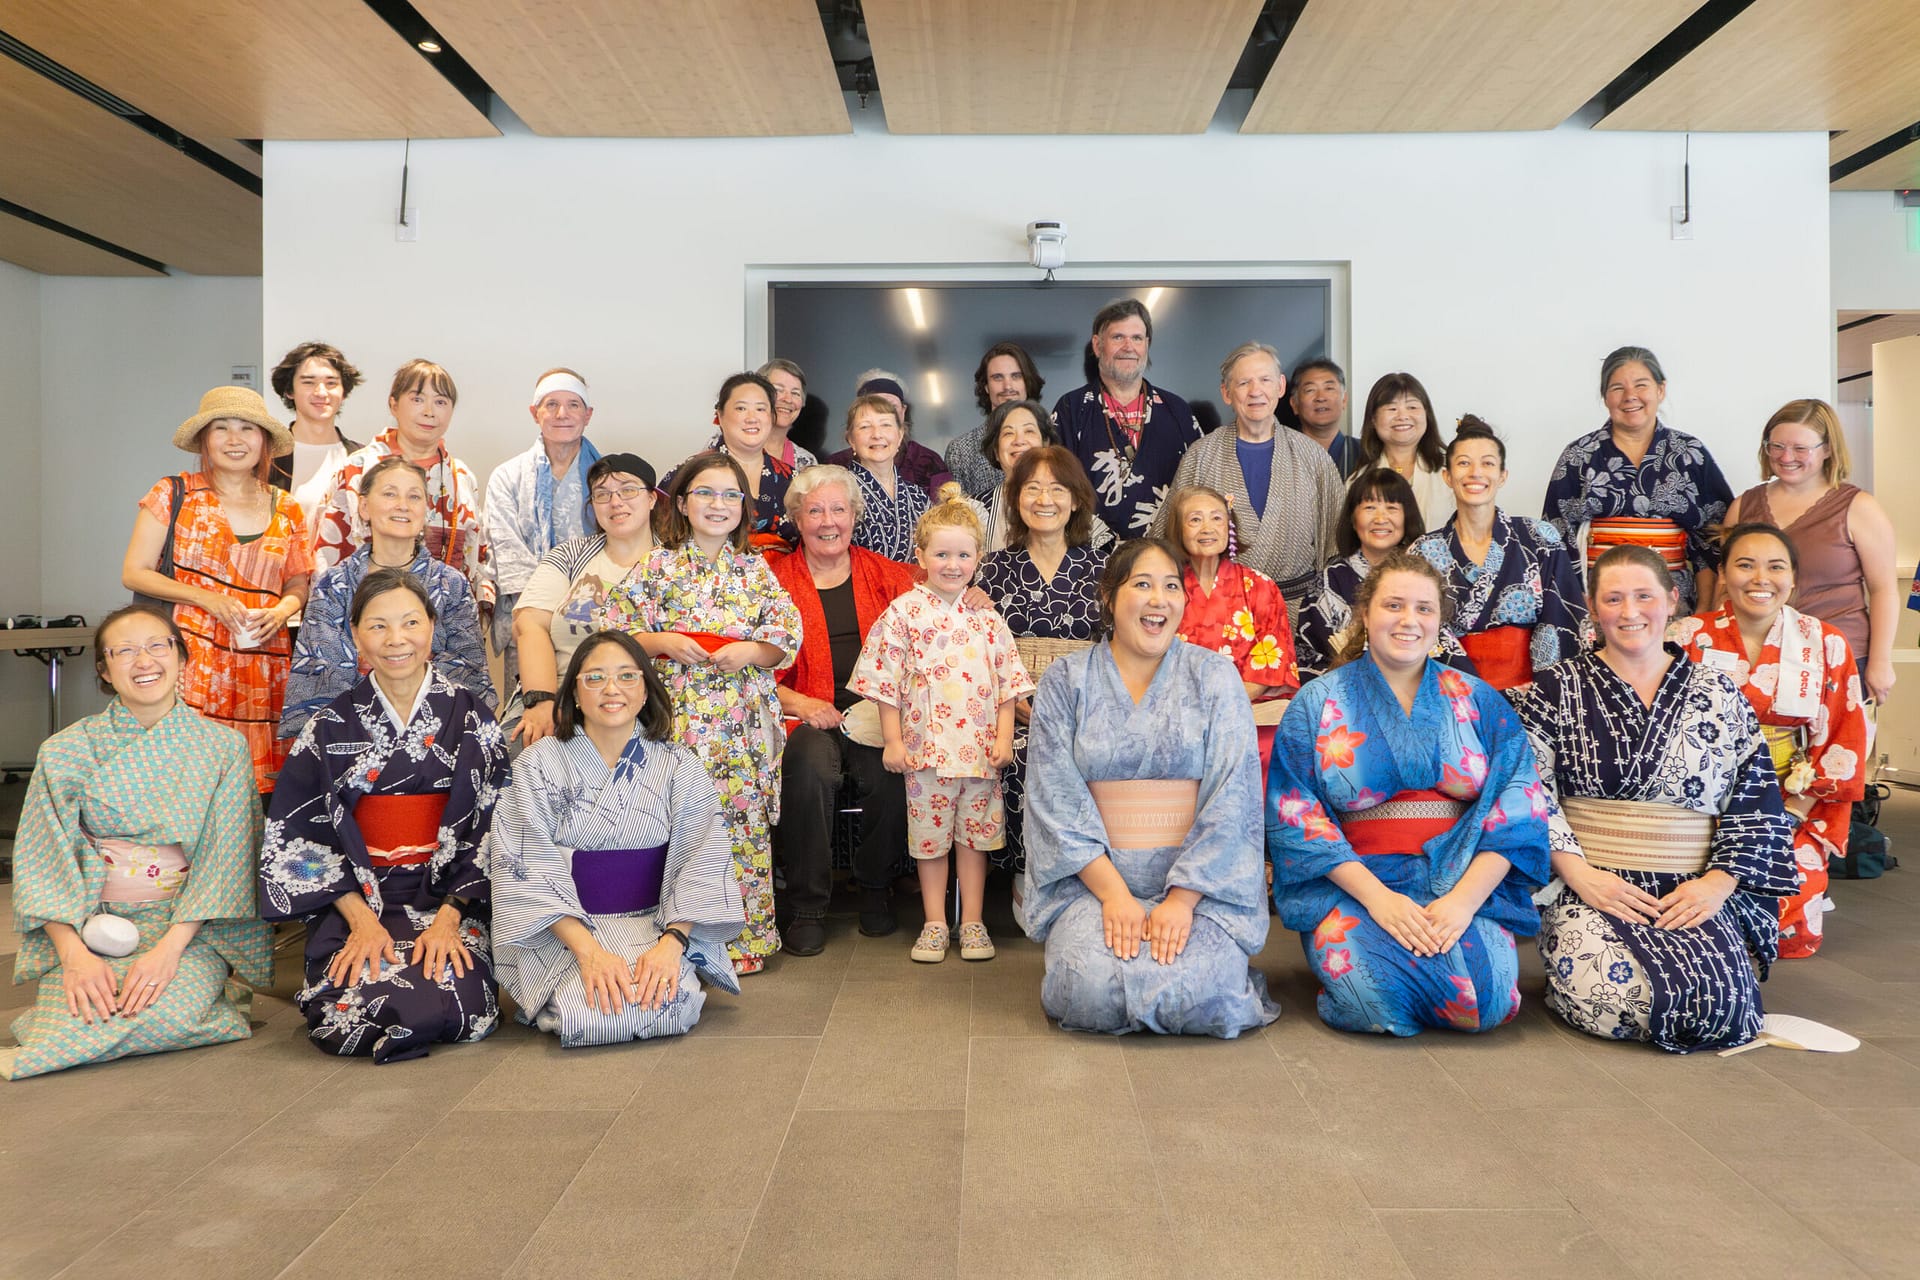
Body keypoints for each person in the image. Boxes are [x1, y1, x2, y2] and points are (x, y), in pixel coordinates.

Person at [1510, 545, 1796, 1052]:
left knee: (1724, 1003)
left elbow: (1755, 799)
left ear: (1671, 600)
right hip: (1592, 878)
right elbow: (1528, 790)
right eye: (1613, 598)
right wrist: (1579, 874)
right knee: (1618, 996)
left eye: (1644, 596)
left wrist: (1716, 884)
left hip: (1693, 882)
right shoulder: (1553, 688)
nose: (1630, 611)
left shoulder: (1719, 691)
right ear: (1594, 609)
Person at [1268, 552, 1550, 1036]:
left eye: (1424, 609)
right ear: (1365, 614)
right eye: (1393, 605)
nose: (1408, 620)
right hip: (1358, 882)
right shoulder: (1316, 701)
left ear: (1440, 621)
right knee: (1373, 1000)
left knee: (1486, 1001)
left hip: (1458, 879)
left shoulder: (1480, 698)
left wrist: (1462, 902)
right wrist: (1379, 900)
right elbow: (1297, 814)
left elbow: (1518, 805)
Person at [1019, 539, 1280, 1037]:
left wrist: (1181, 901)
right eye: (1142, 584)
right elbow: (1053, 797)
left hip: (1199, 890)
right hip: (1091, 886)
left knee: (1207, 987)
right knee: (1090, 987)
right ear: (1109, 598)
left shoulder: (1216, 677)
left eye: (1170, 586)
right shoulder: (1065, 680)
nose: (1159, 599)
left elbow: (1235, 798)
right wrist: (1115, 895)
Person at [2, 606, 271, 1080]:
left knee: (163, 1012)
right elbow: (43, 859)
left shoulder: (222, 747)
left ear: (181, 658)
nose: (143, 660)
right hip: (93, 924)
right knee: (86, 1010)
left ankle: (208, 993)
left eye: (156, 646)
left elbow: (227, 858)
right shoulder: (65, 751)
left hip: (184, 927)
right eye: (124, 651)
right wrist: (75, 957)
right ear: (105, 670)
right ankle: (64, 1030)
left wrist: (169, 950)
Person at [260, 568, 510, 1063]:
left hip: (447, 902)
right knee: (349, 1007)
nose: (396, 640)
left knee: (464, 1008)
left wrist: (450, 918)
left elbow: (496, 827)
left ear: (432, 627)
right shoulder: (328, 726)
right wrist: (360, 920)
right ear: (355, 635)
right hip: (355, 904)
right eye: (378, 626)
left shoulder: (471, 718)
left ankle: (434, 980)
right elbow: (298, 836)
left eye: (410, 623)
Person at [491, 631, 746, 1045]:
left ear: (646, 691)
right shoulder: (538, 764)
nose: (612, 690)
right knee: (593, 1016)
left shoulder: (678, 763)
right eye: (594, 678)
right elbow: (525, 864)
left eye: (628, 677)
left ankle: (672, 969)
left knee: (668, 1004)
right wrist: (587, 951)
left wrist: (672, 945)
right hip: (567, 931)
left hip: (655, 925)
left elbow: (701, 857)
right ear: (573, 691)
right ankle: (563, 990)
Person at [603, 452, 801, 975]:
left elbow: (786, 635)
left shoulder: (755, 568)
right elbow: (613, 631)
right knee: (678, 824)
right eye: (706, 494)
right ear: (684, 503)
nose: (718, 504)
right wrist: (662, 640)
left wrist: (751, 652)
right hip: (678, 716)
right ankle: (673, 941)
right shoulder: (657, 565)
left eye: (730, 495)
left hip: (740, 721)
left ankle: (745, 942)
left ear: (744, 507)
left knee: (742, 824)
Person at [852, 492, 1032, 963]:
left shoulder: (988, 619)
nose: (952, 565)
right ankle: (935, 921)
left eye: (963, 555)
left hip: (978, 753)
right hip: (924, 751)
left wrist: (1003, 738)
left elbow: (1007, 686)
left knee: (976, 840)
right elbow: (884, 683)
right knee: (930, 841)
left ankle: (972, 921)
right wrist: (892, 741)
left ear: (978, 557)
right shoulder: (902, 614)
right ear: (921, 556)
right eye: (942, 554)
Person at [1676, 524, 1870, 959]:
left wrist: (1790, 814)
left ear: (1795, 579)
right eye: (1745, 565)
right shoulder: (1687, 637)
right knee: (1689, 900)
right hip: (1703, 801)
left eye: (1775, 567)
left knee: (1790, 900)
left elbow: (1843, 736)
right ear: (1723, 573)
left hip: (1790, 797)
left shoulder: (1825, 642)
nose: (1760, 578)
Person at [122, 385, 313, 792]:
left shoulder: (288, 507)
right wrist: (204, 597)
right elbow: (135, 572)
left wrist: (281, 612)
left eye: (247, 429)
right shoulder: (175, 492)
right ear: (205, 440)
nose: (234, 439)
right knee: (184, 786)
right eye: (221, 428)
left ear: (263, 442)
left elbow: (299, 582)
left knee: (257, 793)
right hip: (191, 662)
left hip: (262, 664)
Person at [767, 466, 917, 953]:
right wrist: (803, 703)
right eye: (815, 510)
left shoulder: (889, 576)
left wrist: (976, 593)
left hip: (877, 712)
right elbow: (755, 671)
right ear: (797, 518)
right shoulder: (772, 581)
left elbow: (939, 606)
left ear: (854, 515)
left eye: (838, 509)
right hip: (803, 708)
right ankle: (808, 905)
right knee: (808, 766)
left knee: (890, 771)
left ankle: (875, 886)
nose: (827, 521)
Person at [281, 458, 492, 739]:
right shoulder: (333, 584)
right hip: (351, 734)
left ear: (425, 511)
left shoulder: (451, 584)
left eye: (414, 496)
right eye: (390, 493)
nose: (402, 505)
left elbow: (467, 670)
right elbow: (321, 673)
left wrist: (412, 714)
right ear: (364, 507)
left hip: (436, 733)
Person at [974, 447, 1107, 871]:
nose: (1044, 499)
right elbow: (976, 652)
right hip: (1009, 706)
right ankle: (1026, 873)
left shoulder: (1104, 568)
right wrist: (1011, 702)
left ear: (1076, 500)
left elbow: (1118, 649)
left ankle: (1082, 869)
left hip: (1087, 704)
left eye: (1057, 488)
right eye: (1032, 488)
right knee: (1018, 753)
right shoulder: (991, 569)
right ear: (1015, 499)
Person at [1725, 399, 1896, 706]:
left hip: (1837, 655)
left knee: (1833, 753)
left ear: (1828, 449)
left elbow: (1884, 589)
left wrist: (1880, 662)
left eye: (1800, 448)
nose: (1786, 457)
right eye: (1776, 446)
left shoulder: (1859, 508)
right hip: (1755, 657)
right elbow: (1725, 586)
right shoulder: (1743, 506)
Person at [1543, 345, 1733, 614]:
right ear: (1605, 397)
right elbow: (1555, 540)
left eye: (1641, 385)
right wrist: (1578, 610)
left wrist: (1704, 609)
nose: (1630, 396)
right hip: (1600, 602)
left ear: (1660, 389)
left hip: (1672, 602)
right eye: (1617, 388)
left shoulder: (1689, 452)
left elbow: (1713, 540)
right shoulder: (1580, 454)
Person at [1160, 342, 1343, 608]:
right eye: (1244, 382)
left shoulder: (1312, 455)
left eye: (1265, 380)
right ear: (1226, 393)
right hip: (1218, 610)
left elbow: (1336, 544)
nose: (1256, 391)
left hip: (1295, 609)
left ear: (1280, 386)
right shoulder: (1201, 455)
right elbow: (1168, 536)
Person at [1410, 417, 1585, 689]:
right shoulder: (1422, 552)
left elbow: (1563, 623)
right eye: (1464, 463)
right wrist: (1473, 694)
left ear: (1503, 475)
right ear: (1447, 476)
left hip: (1535, 698)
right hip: (1453, 696)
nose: (1475, 473)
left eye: (1488, 463)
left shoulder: (1540, 539)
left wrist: (1544, 696)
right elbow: (1417, 629)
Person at [312, 359, 493, 610]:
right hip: (365, 618)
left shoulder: (461, 476)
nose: (430, 411)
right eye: (417, 399)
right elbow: (327, 552)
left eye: (441, 402)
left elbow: (477, 555)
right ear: (393, 404)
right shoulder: (357, 469)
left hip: (445, 619)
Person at [509, 453, 659, 748]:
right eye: (602, 494)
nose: (616, 502)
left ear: (652, 498)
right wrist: (542, 701)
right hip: (563, 692)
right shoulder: (571, 555)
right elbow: (529, 625)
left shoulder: (677, 562)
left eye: (628, 490)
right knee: (515, 751)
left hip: (643, 701)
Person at [484, 368, 605, 696]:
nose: (562, 414)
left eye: (573, 405)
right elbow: (505, 548)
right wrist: (544, 611)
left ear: (588, 414)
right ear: (535, 413)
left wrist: (577, 607)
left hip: (594, 616)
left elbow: (617, 544)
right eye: (551, 404)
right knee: (531, 714)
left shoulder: (609, 477)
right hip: (528, 614)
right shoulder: (507, 476)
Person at [1166, 485, 1299, 773]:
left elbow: (1269, 664)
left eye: (1216, 518)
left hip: (1247, 710)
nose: (1207, 527)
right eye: (1195, 519)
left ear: (1230, 528)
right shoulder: (1165, 589)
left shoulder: (1260, 586)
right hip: (1178, 711)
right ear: (1178, 529)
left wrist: (1222, 702)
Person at [1052, 299, 1204, 538]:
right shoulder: (1072, 408)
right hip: (1088, 557)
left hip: (1166, 556)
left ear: (1147, 344)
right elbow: (1054, 485)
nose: (1128, 346)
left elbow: (1200, 486)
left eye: (1137, 338)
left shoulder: (1177, 411)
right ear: (1097, 345)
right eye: (1118, 337)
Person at [1295, 469, 1442, 678]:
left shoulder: (1425, 579)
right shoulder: (1328, 583)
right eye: (1370, 508)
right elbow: (1308, 656)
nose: (1381, 518)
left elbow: (1442, 646)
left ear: (1406, 518)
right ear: (1353, 520)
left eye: (1392, 508)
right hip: (1346, 694)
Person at [664, 372, 796, 552]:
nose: (752, 417)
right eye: (741, 408)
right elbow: (660, 530)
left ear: (772, 417)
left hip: (783, 575)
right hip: (706, 574)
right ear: (720, 415)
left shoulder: (792, 478)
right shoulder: (691, 472)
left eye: (761, 409)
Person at [268, 341, 364, 536]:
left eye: (331, 383)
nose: (321, 392)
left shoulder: (361, 458)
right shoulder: (268, 458)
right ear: (289, 391)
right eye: (308, 382)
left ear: (344, 392)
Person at [826, 371, 955, 496]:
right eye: (865, 425)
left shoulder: (927, 462)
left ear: (903, 411)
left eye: (890, 408)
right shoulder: (835, 467)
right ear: (851, 437)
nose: (877, 434)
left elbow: (946, 509)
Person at [947, 342, 1046, 500]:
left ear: (1027, 383)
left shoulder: (1050, 441)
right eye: (997, 377)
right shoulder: (960, 451)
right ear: (986, 386)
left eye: (1016, 376)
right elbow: (958, 517)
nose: (1008, 386)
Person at [1355, 371, 1453, 528]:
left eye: (1412, 407)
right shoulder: (1358, 480)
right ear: (1373, 419)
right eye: (1392, 409)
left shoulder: (1452, 470)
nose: (1402, 416)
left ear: (1426, 414)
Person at [843, 393, 932, 563]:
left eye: (885, 425)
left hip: (915, 588)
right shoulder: (840, 493)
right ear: (851, 440)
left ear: (900, 436)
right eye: (864, 427)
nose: (877, 434)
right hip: (861, 587)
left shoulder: (918, 496)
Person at [977, 398, 1073, 553]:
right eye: (1008, 433)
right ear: (996, 451)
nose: (1019, 441)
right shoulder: (973, 510)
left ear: (1046, 444)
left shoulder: (1070, 501)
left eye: (1029, 431)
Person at [1290, 357, 1360, 479]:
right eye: (1310, 390)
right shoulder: (1279, 454)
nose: (1321, 397)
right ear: (1294, 404)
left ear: (1344, 400)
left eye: (1329, 388)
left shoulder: (1366, 454)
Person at [757, 358, 820, 471]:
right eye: (778, 390)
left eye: (795, 393)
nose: (788, 399)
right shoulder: (734, 449)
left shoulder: (807, 461)